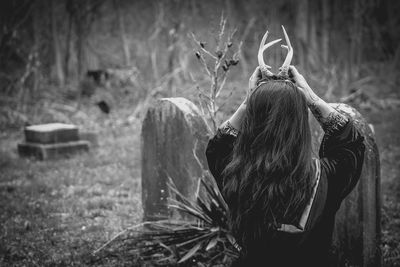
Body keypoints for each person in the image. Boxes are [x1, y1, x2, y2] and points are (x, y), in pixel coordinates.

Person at [205, 65, 365, 267]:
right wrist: (311, 98)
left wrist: (249, 102)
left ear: (252, 121)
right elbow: (350, 143)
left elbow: (218, 147)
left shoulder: (234, 174)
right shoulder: (325, 179)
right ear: (299, 124)